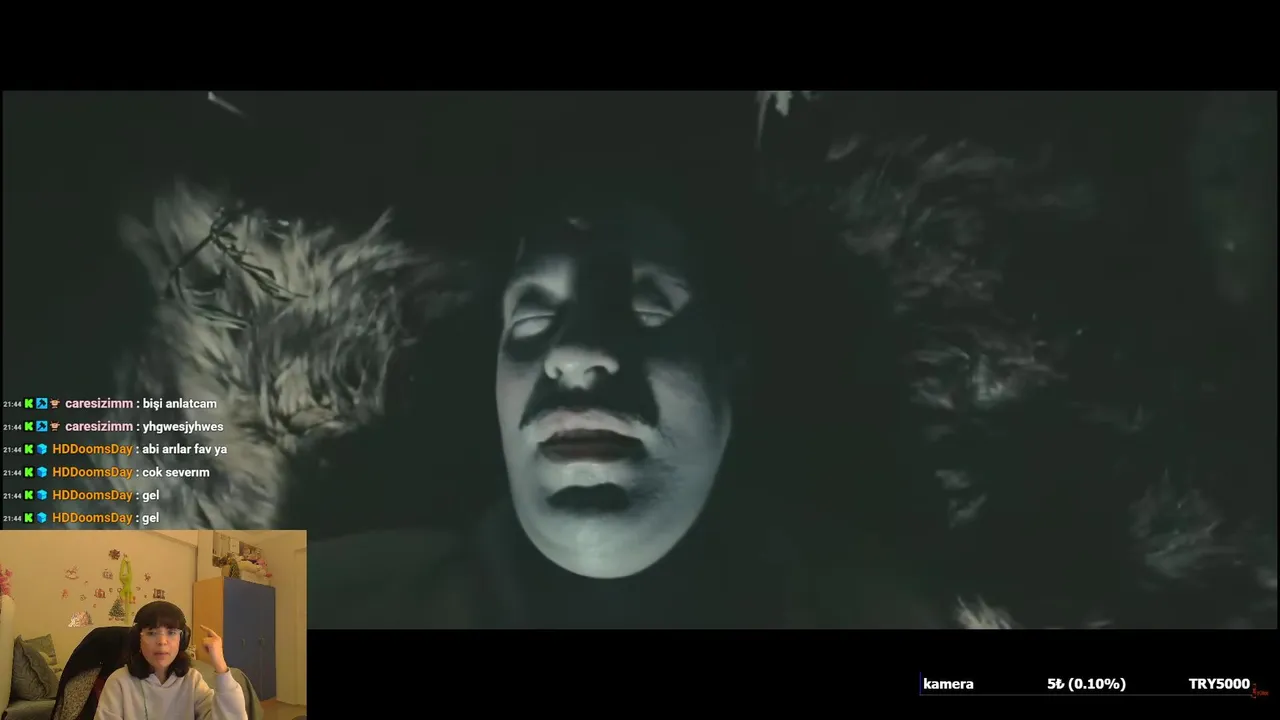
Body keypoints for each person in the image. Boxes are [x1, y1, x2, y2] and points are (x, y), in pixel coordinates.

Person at [62, 91, 1275, 628]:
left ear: (735, 366)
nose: (581, 354)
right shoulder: (322, 615)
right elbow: (56, 657)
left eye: (647, 308)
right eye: (529, 322)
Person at [95, 601, 247, 720]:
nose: (162, 642)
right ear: (137, 639)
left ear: (182, 640)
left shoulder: (192, 680)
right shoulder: (119, 682)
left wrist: (220, 665)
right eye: (152, 633)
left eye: (171, 632)